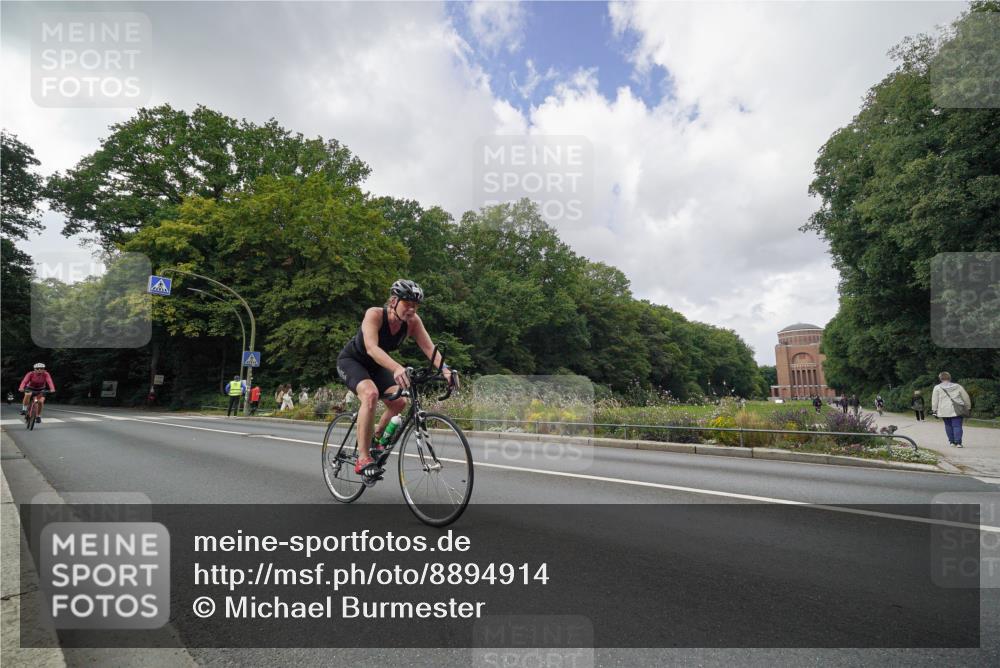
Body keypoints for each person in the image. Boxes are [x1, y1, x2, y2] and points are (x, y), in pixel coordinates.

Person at [336, 279, 454, 477]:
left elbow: (429, 348)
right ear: (393, 301)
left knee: (399, 402)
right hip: (353, 362)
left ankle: (377, 437)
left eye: (415, 306)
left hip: (377, 367)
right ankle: (363, 458)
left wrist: (446, 370)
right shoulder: (374, 314)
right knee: (370, 394)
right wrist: (397, 367)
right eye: (407, 304)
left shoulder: (413, 323)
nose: (411, 310)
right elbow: (372, 348)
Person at [931, 372, 972, 448]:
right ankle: (958, 443)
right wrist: (968, 407)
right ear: (949, 378)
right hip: (958, 409)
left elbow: (935, 400)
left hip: (944, 410)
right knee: (957, 426)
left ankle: (952, 442)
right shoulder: (958, 386)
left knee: (948, 426)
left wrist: (934, 410)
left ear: (940, 378)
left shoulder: (937, 387)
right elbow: (966, 397)